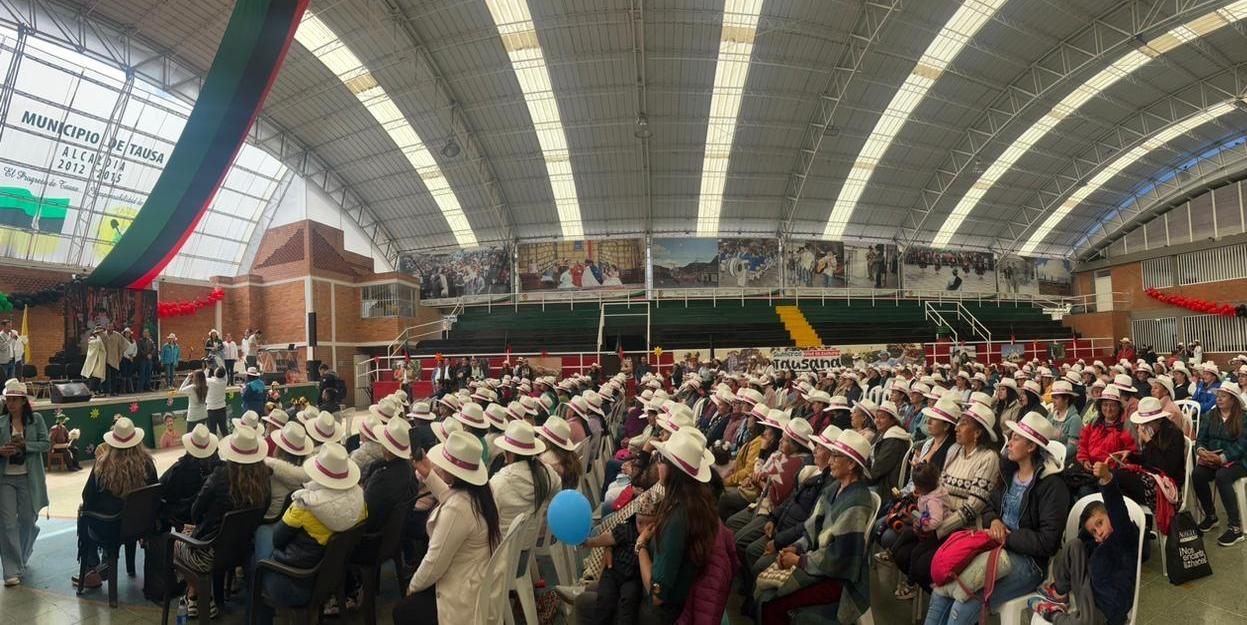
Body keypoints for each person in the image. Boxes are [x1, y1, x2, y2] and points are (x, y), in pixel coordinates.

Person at [925, 413, 1069, 625]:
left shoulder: (1052, 486)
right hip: (994, 547)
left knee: (966, 599)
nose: (1009, 443)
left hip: (1029, 563)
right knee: (942, 588)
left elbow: (1048, 542)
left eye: (1016, 439)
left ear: (1031, 447)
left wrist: (1007, 538)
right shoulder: (1008, 474)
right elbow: (989, 507)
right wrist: (994, 522)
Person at [758, 430, 875, 625]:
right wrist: (796, 547)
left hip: (837, 579)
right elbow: (812, 530)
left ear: (852, 464)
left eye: (836, 456)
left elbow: (840, 557)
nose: (830, 461)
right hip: (819, 563)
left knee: (771, 603)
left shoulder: (857, 502)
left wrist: (799, 560)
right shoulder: (834, 489)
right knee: (766, 594)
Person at [250, 443, 366, 625]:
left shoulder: (305, 505)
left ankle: (258, 618)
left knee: (260, 540)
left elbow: (278, 540)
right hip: (330, 578)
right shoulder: (360, 504)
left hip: (297, 583)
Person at [395, 431, 500, 625]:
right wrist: (428, 473)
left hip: (460, 597)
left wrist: (413, 586)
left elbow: (434, 563)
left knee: (402, 611)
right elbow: (451, 497)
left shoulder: (456, 510)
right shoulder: (482, 493)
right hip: (476, 581)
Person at [896, 403, 1001, 591]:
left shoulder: (988, 458)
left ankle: (941, 594)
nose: (956, 428)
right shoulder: (954, 451)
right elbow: (939, 490)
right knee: (901, 551)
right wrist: (924, 519)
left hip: (962, 530)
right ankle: (932, 590)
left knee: (922, 564)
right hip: (939, 519)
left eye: (963, 424)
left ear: (977, 433)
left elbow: (972, 508)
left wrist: (936, 530)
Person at [174, 427, 271, 618]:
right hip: (242, 552)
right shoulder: (264, 479)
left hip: (208, 553)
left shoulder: (220, 476)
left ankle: (196, 594)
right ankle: (197, 596)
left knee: (175, 542)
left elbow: (195, 511)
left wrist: (204, 525)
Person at [1027, 462, 1139, 625]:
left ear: (1110, 517)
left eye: (1100, 523)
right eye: (1094, 531)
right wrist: (1090, 534)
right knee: (1074, 545)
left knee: (1086, 621)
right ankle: (1059, 594)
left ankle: (1053, 614)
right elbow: (1081, 542)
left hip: (1107, 609)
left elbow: (1118, 510)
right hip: (1087, 594)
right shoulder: (1096, 545)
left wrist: (1107, 479)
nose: (1098, 532)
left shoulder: (1124, 537)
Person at [638, 428, 719, 624]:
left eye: (661, 459)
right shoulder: (697, 501)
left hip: (662, 614)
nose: (657, 464)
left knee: (586, 604)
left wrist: (640, 546)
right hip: (680, 602)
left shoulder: (678, 518)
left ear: (673, 471)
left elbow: (657, 595)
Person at [73, 417, 158, 589]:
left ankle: (92, 568)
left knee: (84, 514)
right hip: (140, 526)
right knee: (109, 515)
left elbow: (87, 497)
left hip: (110, 528)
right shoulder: (148, 464)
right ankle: (106, 564)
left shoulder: (102, 465)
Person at [575, 496, 657, 625]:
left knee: (628, 603)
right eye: (640, 523)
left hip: (633, 578)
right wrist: (590, 542)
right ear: (634, 519)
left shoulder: (654, 539)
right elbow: (608, 538)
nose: (643, 528)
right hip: (613, 572)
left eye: (649, 524)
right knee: (605, 599)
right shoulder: (626, 529)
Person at [0, 379, 49, 586]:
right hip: (6, 479)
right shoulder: (1, 422)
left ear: (23, 401)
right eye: (8, 400)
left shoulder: (36, 420)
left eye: (14, 400)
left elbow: (46, 444)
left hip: (29, 478)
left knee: (28, 520)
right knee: (8, 523)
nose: (11, 404)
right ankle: (11, 570)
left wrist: (26, 445)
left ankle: (23, 552)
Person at [1192, 382, 1247, 545]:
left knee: (1223, 476)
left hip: (1239, 460)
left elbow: (1243, 445)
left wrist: (1222, 458)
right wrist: (1202, 451)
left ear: (1233, 400)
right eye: (1218, 396)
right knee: (1198, 474)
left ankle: (1235, 528)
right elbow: (1201, 439)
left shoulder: (1244, 418)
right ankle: (1211, 515)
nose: (1219, 399)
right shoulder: (1210, 415)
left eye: (1223, 396)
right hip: (1213, 458)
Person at [883, 463, 949, 599]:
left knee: (916, 553)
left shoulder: (934, 501)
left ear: (921, 487)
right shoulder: (929, 493)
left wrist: (922, 524)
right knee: (906, 532)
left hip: (936, 533)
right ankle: (891, 554)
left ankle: (910, 585)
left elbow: (936, 521)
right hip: (925, 523)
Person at [159, 424, 221, 532]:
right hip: (206, 515)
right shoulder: (218, 468)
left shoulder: (179, 468)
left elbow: (161, 486)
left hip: (184, 515)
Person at [538, 416, 583, 490]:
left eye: (541, 435)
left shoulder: (546, 459)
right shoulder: (570, 456)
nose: (539, 437)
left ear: (546, 440)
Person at [1047, 381, 1082, 465]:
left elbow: (1072, 447)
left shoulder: (1075, 419)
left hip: (1062, 460)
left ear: (1066, 399)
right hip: (1047, 456)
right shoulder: (1051, 415)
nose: (1053, 401)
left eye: (1056, 398)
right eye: (1053, 397)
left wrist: (1055, 456)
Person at [205, 367, 229, 438]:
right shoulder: (224, 382)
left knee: (212, 432)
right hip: (222, 409)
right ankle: (228, 446)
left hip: (211, 410)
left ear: (215, 373)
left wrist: (208, 368)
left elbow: (202, 377)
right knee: (224, 430)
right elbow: (225, 374)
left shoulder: (210, 381)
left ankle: (214, 448)